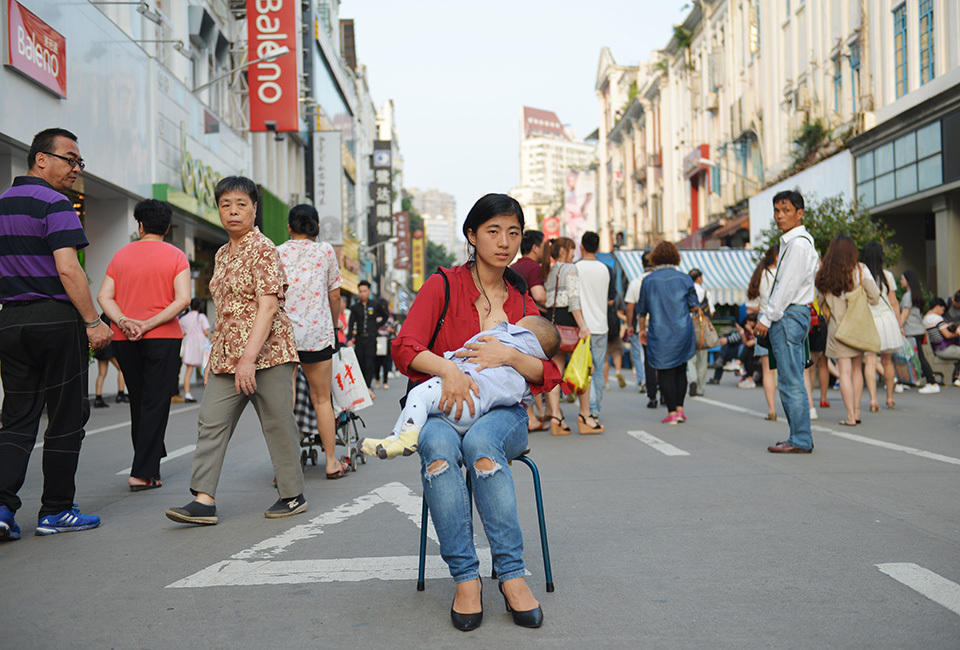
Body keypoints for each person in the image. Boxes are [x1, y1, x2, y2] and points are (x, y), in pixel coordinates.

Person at [391, 193, 561, 631]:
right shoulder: (443, 285)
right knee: (440, 449)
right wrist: (448, 369)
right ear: (472, 234)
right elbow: (405, 346)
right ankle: (466, 578)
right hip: (445, 410)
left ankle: (510, 574)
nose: (504, 242)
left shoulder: (523, 304)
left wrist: (507, 355)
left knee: (483, 444)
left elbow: (548, 371)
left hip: (503, 416)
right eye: (493, 231)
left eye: (513, 232)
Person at [165, 176, 307, 526]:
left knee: (277, 422)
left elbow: (268, 306)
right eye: (226, 204)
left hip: (269, 353)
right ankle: (203, 498)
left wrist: (249, 358)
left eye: (241, 204)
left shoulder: (264, 250)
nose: (233, 211)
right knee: (211, 421)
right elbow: (226, 309)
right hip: (228, 355)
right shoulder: (222, 253)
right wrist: (219, 354)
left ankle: (292, 495)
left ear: (254, 209)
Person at [0, 128, 111, 540]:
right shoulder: (55, 203)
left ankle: (2, 509)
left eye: (79, 162)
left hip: (10, 321)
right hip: (55, 319)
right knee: (66, 416)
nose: (76, 168)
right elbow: (68, 268)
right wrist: (93, 322)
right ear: (41, 159)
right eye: (70, 159)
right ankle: (56, 510)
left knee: (16, 418)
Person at [361, 316, 559, 459]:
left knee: (418, 395)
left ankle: (406, 436)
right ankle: (394, 439)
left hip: (467, 395)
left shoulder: (504, 337)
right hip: (479, 408)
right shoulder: (522, 362)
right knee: (427, 413)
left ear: (522, 332)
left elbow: (549, 373)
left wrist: (448, 361)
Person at [97, 199, 190, 490]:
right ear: (166, 227)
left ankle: (149, 457)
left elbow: (104, 297)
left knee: (139, 400)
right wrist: (149, 324)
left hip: (125, 338)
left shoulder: (120, 255)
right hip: (163, 338)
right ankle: (143, 472)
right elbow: (183, 299)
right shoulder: (176, 256)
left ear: (139, 226)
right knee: (155, 402)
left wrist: (124, 321)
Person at [276, 203, 349, 479]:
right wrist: (332, 324)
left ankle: (286, 467)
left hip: (284, 336)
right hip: (317, 336)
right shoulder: (325, 251)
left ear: (289, 227)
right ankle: (331, 462)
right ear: (315, 226)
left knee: (285, 402)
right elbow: (334, 295)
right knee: (322, 400)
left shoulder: (277, 252)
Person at [755, 190, 819, 454]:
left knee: (791, 380)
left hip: (789, 314)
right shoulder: (797, 243)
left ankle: (800, 439)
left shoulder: (798, 245)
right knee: (791, 378)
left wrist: (766, 318)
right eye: (777, 211)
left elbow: (786, 287)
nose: (779, 216)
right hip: (794, 314)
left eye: (786, 210)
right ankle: (798, 437)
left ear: (800, 213)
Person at [816, 235, 880, 426]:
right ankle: (857, 413)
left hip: (837, 328)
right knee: (856, 371)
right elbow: (875, 297)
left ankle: (850, 415)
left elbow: (819, 302)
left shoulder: (824, 273)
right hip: (857, 326)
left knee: (843, 372)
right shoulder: (861, 270)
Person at [636, 241, 697, 424]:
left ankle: (671, 412)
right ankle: (680, 409)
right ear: (675, 257)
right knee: (680, 368)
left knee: (664, 371)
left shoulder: (648, 280)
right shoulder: (685, 278)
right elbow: (694, 306)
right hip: (683, 330)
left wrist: (642, 331)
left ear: (655, 258)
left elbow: (642, 310)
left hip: (659, 332)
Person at [541, 236, 589, 436]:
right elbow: (574, 299)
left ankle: (556, 417)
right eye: (571, 250)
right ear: (563, 251)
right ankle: (585, 415)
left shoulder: (550, 270)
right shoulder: (570, 269)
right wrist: (583, 326)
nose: (573, 253)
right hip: (569, 320)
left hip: (553, 322)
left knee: (556, 371)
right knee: (582, 366)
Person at [510, 229, 547, 430]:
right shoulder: (533, 267)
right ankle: (532, 418)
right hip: (531, 325)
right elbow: (539, 295)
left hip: (513, 324)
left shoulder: (513, 267)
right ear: (534, 247)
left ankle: (533, 416)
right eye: (542, 246)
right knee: (532, 371)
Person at [575, 231, 610, 433]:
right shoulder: (605, 269)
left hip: (583, 327)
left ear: (582, 246)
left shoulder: (576, 268)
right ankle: (595, 409)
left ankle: (590, 408)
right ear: (597, 247)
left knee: (585, 369)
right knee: (598, 367)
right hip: (601, 325)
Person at [860, 242, 900, 410]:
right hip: (887, 320)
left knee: (870, 360)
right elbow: (894, 303)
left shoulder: (861, 274)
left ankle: (873, 400)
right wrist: (899, 325)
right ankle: (890, 398)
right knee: (887, 361)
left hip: (870, 320)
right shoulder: (887, 276)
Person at [746, 245, 780, 420]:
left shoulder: (761, 274)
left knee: (768, 370)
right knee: (785, 367)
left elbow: (753, 302)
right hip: (780, 321)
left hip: (762, 323)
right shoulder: (781, 273)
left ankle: (771, 409)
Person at [626, 252, 659, 406]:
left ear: (642, 264)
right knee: (663, 358)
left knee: (645, 358)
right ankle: (665, 392)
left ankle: (649, 389)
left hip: (643, 325)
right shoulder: (661, 280)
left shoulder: (635, 282)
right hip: (661, 325)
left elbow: (631, 306)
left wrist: (630, 325)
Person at [899, 270, 940, 393]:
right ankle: (907, 381)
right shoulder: (916, 294)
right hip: (918, 329)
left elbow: (904, 315)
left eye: (902, 279)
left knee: (917, 357)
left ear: (908, 280)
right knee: (912, 357)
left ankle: (932, 382)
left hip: (911, 330)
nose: (901, 281)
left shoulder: (907, 296)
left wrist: (898, 327)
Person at [348, 280, 387, 389]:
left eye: (365, 291)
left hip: (371, 338)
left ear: (369, 291)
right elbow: (351, 324)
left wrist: (376, 326)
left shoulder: (375, 305)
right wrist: (350, 338)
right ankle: (361, 386)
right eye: (360, 291)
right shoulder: (355, 307)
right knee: (360, 363)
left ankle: (368, 387)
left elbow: (385, 316)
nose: (362, 293)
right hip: (360, 338)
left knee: (370, 362)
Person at [686, 268, 714, 397]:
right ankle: (700, 388)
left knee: (690, 358)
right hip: (702, 328)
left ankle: (692, 380)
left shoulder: (687, 292)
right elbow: (711, 311)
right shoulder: (706, 292)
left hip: (688, 326)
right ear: (699, 278)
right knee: (702, 360)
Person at [923, 298, 960, 386]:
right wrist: (957, 333)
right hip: (943, 349)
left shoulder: (925, 318)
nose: (943, 312)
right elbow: (947, 335)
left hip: (937, 349)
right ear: (937, 307)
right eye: (943, 309)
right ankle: (958, 378)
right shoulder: (937, 318)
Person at [179, 298, 210, 402]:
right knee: (206, 369)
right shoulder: (201, 317)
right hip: (201, 344)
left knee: (189, 370)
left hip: (189, 345)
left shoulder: (184, 318)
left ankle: (187, 394)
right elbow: (206, 332)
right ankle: (208, 394)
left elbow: (182, 333)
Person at [92, 318, 127, 407]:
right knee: (121, 369)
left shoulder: (100, 319)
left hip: (101, 349)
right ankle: (121, 393)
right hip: (109, 349)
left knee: (101, 374)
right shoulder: (112, 318)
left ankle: (98, 398)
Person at [603, 292, 627, 389]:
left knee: (605, 358)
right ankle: (618, 371)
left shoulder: (601, 293)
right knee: (617, 353)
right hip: (615, 329)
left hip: (603, 329)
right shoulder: (618, 295)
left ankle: (607, 382)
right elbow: (621, 312)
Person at [375, 312, 399, 390]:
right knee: (377, 362)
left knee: (386, 361)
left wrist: (389, 330)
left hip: (387, 340)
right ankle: (377, 380)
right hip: (377, 340)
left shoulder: (390, 317)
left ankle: (385, 381)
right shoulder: (376, 316)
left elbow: (394, 330)